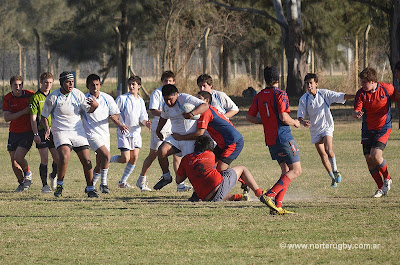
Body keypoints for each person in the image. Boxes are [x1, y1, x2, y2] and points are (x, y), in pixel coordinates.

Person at [246, 66, 301, 215]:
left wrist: (265, 121)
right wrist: (295, 122)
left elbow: (249, 117)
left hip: (270, 140)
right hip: (283, 137)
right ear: (278, 79)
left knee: (286, 171)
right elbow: (284, 117)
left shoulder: (259, 95)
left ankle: (277, 206)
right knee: (296, 170)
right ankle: (270, 195)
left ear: (265, 79)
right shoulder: (281, 94)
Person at [172, 91, 247, 201]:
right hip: (222, 144)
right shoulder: (206, 110)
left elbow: (199, 133)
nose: (197, 101)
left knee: (221, 170)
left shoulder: (206, 112)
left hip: (232, 142)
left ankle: (241, 180)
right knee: (210, 167)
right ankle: (202, 194)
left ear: (206, 101)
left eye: (200, 98)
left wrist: (181, 137)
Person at [41, 71, 99, 198]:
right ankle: (60, 185)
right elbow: (44, 116)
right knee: (64, 156)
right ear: (62, 83)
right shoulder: (53, 97)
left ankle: (90, 188)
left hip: (77, 131)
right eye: (68, 81)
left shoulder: (77, 94)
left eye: (72, 81)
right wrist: (47, 128)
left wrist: (95, 106)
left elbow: (89, 110)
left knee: (87, 160)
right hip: (60, 131)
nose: (71, 84)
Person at [297, 73, 355, 187]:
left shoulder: (324, 94)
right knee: (323, 155)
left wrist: (356, 95)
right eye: (307, 83)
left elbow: (341, 96)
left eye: (311, 83)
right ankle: (333, 178)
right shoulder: (304, 99)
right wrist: (303, 121)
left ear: (316, 84)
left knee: (328, 150)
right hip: (314, 130)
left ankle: (336, 170)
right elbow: (300, 115)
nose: (309, 85)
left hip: (327, 127)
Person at [176, 135, 269, 203]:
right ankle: (259, 193)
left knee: (215, 194)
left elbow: (178, 180)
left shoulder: (186, 158)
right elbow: (225, 170)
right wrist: (241, 180)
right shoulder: (211, 154)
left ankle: (239, 197)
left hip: (205, 197)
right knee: (242, 169)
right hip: (217, 188)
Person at [353, 67, 400, 198]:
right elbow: (356, 110)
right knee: (369, 159)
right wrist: (356, 114)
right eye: (361, 82)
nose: (362, 84)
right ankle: (380, 188)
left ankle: (387, 178)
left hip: (383, 127)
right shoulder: (361, 93)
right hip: (368, 129)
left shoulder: (387, 88)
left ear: (372, 81)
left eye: (364, 82)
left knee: (376, 155)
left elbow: (397, 97)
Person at [153, 84, 208, 191]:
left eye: (170, 99)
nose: (168, 102)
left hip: (190, 138)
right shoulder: (165, 105)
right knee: (161, 151)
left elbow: (205, 105)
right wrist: (158, 130)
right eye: (165, 100)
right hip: (176, 138)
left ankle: (199, 189)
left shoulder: (185, 98)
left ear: (176, 95)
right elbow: (163, 118)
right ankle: (166, 177)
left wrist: (192, 113)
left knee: (191, 168)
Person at [82, 74, 128, 194]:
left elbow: (115, 113)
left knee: (100, 163)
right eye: (92, 85)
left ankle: (90, 187)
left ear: (100, 85)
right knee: (107, 155)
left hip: (104, 134)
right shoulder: (85, 99)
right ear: (87, 86)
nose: (95, 87)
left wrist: (115, 119)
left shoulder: (107, 98)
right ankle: (104, 184)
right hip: (91, 134)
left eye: (97, 84)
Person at [136, 71, 180, 191]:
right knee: (154, 154)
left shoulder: (176, 93)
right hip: (159, 128)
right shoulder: (157, 93)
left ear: (174, 82)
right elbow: (153, 110)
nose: (168, 83)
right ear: (162, 81)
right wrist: (167, 114)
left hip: (172, 127)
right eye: (166, 81)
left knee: (177, 156)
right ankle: (141, 180)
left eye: (170, 81)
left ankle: (179, 184)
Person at [109, 75, 151, 188]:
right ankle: (107, 159)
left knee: (135, 157)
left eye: (134, 84)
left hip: (136, 133)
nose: (131, 86)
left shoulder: (141, 101)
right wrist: (120, 125)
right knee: (125, 158)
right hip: (124, 133)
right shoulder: (122, 98)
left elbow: (143, 116)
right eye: (130, 84)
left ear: (139, 86)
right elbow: (113, 114)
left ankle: (122, 182)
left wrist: (146, 123)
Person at [3, 75, 34, 192]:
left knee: (18, 157)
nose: (18, 87)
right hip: (13, 133)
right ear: (11, 86)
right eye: (15, 85)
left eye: (20, 84)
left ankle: (28, 173)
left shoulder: (30, 95)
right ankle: (22, 183)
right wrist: (23, 112)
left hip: (27, 132)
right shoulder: (8, 98)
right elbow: (7, 118)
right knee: (14, 163)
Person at [29, 72, 60, 193]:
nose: (48, 85)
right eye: (46, 82)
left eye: (50, 83)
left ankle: (53, 176)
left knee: (57, 158)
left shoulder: (54, 96)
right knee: (44, 159)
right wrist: (36, 134)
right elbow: (33, 119)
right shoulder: (36, 97)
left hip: (54, 130)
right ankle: (44, 185)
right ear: (41, 82)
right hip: (41, 131)